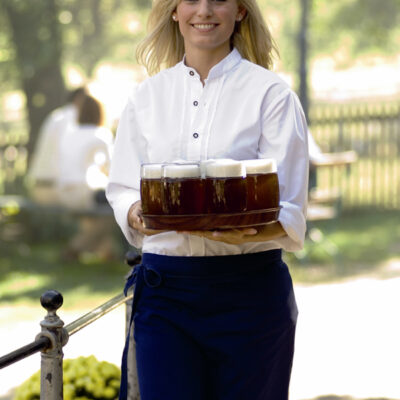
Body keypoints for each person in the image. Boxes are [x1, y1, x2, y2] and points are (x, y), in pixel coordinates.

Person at [106, 0, 309, 398]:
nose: (204, 10)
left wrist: (246, 232)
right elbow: (123, 188)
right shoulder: (145, 99)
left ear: (240, 11)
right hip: (166, 298)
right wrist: (135, 213)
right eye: (191, 0)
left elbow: (290, 207)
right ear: (175, 11)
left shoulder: (272, 95)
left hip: (251, 296)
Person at [58, 94, 114, 259]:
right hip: (83, 191)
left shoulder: (69, 134)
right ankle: (76, 247)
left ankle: (108, 253)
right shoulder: (101, 134)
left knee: (97, 215)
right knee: (115, 209)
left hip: (63, 191)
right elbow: (112, 170)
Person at [28, 87, 87, 205]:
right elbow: (66, 152)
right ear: (80, 99)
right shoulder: (73, 118)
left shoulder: (57, 115)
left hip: (39, 185)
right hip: (55, 187)